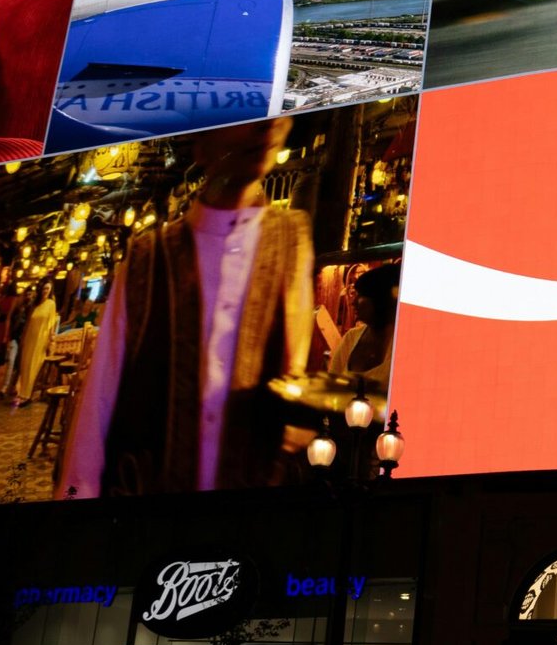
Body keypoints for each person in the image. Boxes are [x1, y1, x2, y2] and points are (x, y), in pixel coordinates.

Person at [58, 117, 314, 497]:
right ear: (201, 144)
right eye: (247, 115)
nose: (269, 126)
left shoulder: (293, 239)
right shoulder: (147, 256)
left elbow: (293, 371)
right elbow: (102, 393)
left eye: (280, 113)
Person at [327, 262, 401, 390]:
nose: (353, 302)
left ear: (380, 300)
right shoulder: (351, 337)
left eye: (360, 296)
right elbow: (331, 383)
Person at [12, 281, 58, 404]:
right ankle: (21, 392)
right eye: (43, 288)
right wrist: (23, 339)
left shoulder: (51, 304)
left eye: (48, 288)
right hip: (29, 338)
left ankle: (27, 395)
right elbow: (28, 323)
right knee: (25, 365)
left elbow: (52, 324)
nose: (45, 291)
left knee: (34, 365)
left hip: (41, 339)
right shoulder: (35, 304)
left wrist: (51, 340)